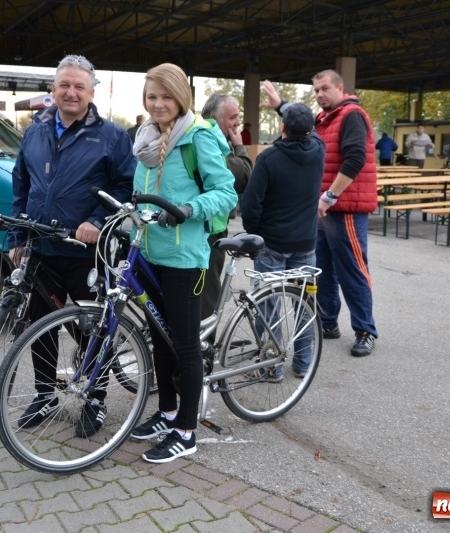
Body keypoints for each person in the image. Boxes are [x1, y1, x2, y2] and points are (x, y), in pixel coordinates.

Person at [10, 54, 136, 432]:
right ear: (53, 89)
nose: (71, 92)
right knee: (40, 326)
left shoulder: (112, 137)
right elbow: (21, 186)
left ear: (91, 92)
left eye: (79, 86)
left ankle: (94, 400)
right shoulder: (35, 131)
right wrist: (17, 236)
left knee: (90, 328)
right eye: (65, 85)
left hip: (86, 253)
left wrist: (97, 221)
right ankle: (45, 394)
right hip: (41, 247)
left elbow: (125, 187)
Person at [129, 63, 236, 463]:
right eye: (151, 97)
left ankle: (186, 431)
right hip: (151, 254)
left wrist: (187, 208)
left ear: (182, 98)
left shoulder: (197, 139)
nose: (158, 104)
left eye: (165, 97)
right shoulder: (146, 137)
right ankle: (168, 412)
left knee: (187, 346)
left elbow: (226, 193)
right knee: (160, 338)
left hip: (186, 258)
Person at [262, 70, 379, 357]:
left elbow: (355, 159)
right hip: (323, 210)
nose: (319, 94)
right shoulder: (325, 118)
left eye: (325, 88)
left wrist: (329, 196)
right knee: (322, 270)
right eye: (316, 90)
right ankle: (327, 322)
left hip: (345, 208)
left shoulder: (351, 115)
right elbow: (298, 119)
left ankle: (365, 330)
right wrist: (280, 104)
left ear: (340, 88)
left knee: (352, 269)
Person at [240, 102, 325, 378]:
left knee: (268, 306)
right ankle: (303, 363)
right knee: (304, 306)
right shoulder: (319, 151)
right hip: (306, 244)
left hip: (272, 244)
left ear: (282, 127)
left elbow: (251, 203)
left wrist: (255, 232)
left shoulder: (269, 158)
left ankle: (271, 366)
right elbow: (315, 133)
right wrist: (283, 106)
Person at [199, 94, 252, 323]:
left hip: (205, 226)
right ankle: (202, 351)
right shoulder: (212, 142)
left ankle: (201, 352)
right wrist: (240, 146)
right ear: (214, 118)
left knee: (202, 293)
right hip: (210, 230)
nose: (237, 123)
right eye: (233, 117)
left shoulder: (202, 134)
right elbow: (245, 177)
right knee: (206, 296)